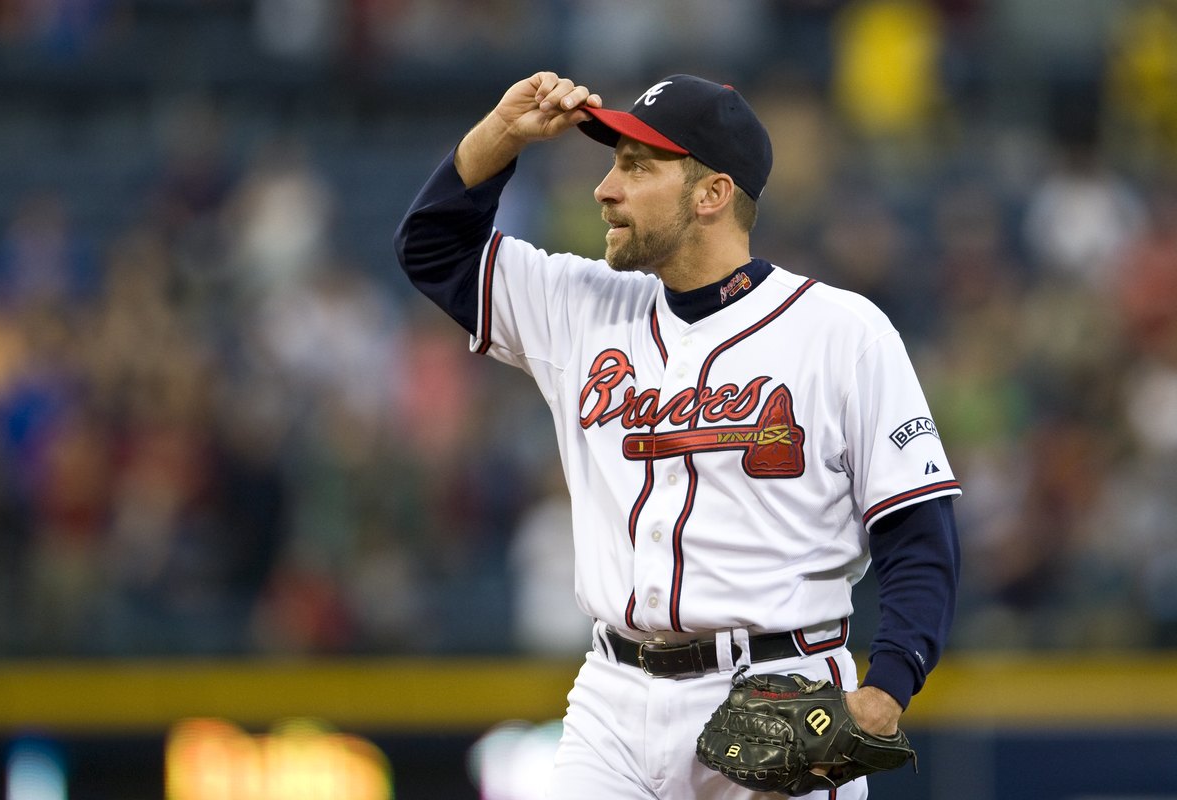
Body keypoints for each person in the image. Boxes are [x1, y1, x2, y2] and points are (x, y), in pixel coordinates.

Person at [394, 72, 961, 800]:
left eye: (635, 166)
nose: (605, 188)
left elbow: (918, 531)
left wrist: (882, 695)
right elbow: (433, 249)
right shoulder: (583, 305)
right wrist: (502, 133)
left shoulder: (841, 333)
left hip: (780, 689)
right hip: (612, 699)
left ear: (711, 194)